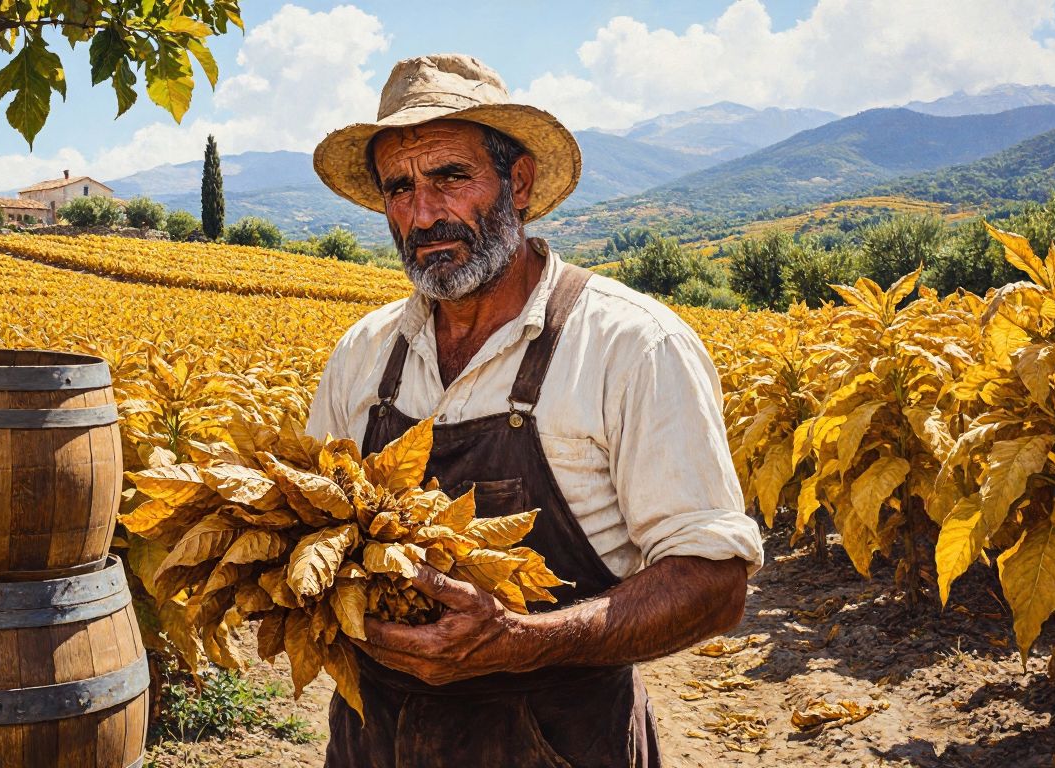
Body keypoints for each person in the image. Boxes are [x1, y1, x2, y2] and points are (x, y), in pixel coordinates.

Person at [305, 53, 764, 767]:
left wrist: (524, 644)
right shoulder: (363, 354)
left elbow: (714, 582)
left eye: (450, 177)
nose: (423, 213)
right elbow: (309, 535)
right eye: (400, 188)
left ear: (517, 183)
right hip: (374, 741)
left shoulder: (632, 345)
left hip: (559, 744)